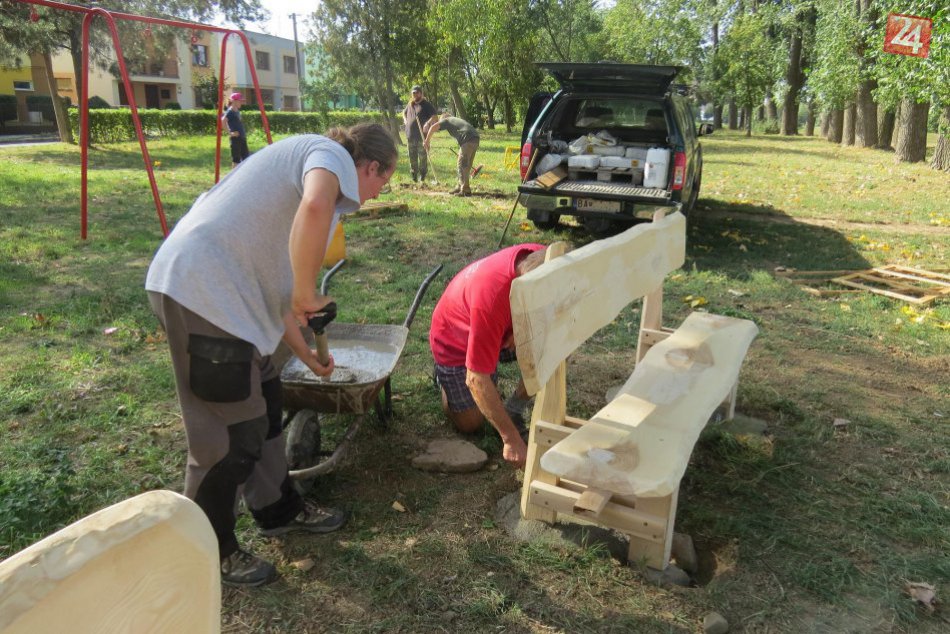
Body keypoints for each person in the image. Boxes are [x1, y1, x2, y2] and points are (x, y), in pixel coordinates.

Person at [145, 123, 397, 587]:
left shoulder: (305, 183)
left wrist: (307, 352)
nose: (380, 191)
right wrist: (307, 289)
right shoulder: (330, 156)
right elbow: (317, 205)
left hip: (232, 300)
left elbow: (283, 301)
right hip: (202, 294)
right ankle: (207, 552)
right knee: (227, 438)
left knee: (267, 410)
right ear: (372, 166)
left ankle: (277, 508)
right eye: (384, 181)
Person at [429, 244, 548, 468]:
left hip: (498, 329)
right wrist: (511, 440)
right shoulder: (492, 302)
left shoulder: (548, 259)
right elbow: (477, 378)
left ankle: (514, 408)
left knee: (556, 344)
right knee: (472, 424)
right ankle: (444, 382)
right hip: (455, 341)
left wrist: (520, 326)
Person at [424, 113, 480, 196]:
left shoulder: (447, 120)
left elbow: (433, 127)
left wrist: (427, 141)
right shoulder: (455, 121)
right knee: (467, 165)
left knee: (461, 164)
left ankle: (465, 190)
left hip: (467, 139)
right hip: (475, 138)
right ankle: (460, 186)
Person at [402, 85, 436, 183]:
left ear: (421, 93)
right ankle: (414, 176)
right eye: (413, 93)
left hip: (422, 137)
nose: (415, 94)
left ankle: (423, 175)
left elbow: (434, 116)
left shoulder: (426, 104)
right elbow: (403, 113)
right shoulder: (410, 104)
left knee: (422, 157)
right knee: (412, 157)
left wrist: (427, 123)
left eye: (417, 92)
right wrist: (405, 120)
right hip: (410, 136)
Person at [223, 91, 249, 167]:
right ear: (234, 101)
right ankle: (233, 176)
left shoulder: (237, 111)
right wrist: (230, 133)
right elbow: (223, 121)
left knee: (245, 158)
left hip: (242, 137)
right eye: (240, 101)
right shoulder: (230, 111)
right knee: (236, 160)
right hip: (235, 139)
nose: (241, 103)